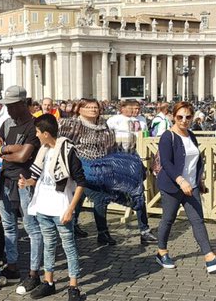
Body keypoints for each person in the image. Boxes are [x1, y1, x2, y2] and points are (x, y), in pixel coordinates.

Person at [20, 113, 86, 301]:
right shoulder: (43, 150)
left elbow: (81, 182)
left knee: (69, 246)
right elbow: (38, 177)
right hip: (43, 206)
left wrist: (71, 209)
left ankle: (73, 286)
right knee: (49, 245)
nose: (37, 135)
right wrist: (27, 182)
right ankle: (49, 281)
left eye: (38, 132)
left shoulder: (68, 151)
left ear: (47, 133)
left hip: (60, 207)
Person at [0, 86, 42, 290]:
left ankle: (34, 271)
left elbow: (23, 157)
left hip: (24, 181)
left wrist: (3, 151)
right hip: (5, 179)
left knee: (31, 228)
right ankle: (12, 266)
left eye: (12, 106)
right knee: (9, 226)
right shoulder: (7, 123)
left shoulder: (34, 125)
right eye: (7, 106)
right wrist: (8, 149)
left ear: (23, 104)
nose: (8, 110)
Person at [155, 102, 216, 272]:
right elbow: (166, 162)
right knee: (168, 219)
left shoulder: (191, 135)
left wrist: (199, 180)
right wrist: (181, 180)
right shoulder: (168, 136)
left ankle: (209, 256)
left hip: (192, 185)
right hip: (172, 186)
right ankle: (161, 251)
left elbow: (196, 160)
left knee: (197, 220)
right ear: (173, 117)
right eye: (180, 116)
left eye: (188, 117)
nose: (184, 120)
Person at [60, 98, 117, 245]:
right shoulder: (72, 124)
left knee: (80, 197)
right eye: (89, 107)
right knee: (99, 197)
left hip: (101, 166)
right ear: (79, 109)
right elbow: (61, 142)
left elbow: (110, 145)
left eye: (95, 107)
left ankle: (74, 224)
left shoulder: (103, 125)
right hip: (81, 165)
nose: (93, 110)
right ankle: (102, 233)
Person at [106, 99, 157, 244]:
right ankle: (103, 230)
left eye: (137, 108)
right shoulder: (113, 120)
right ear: (122, 108)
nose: (135, 111)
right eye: (132, 108)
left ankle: (144, 229)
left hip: (135, 158)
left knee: (138, 193)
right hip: (117, 158)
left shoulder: (141, 119)